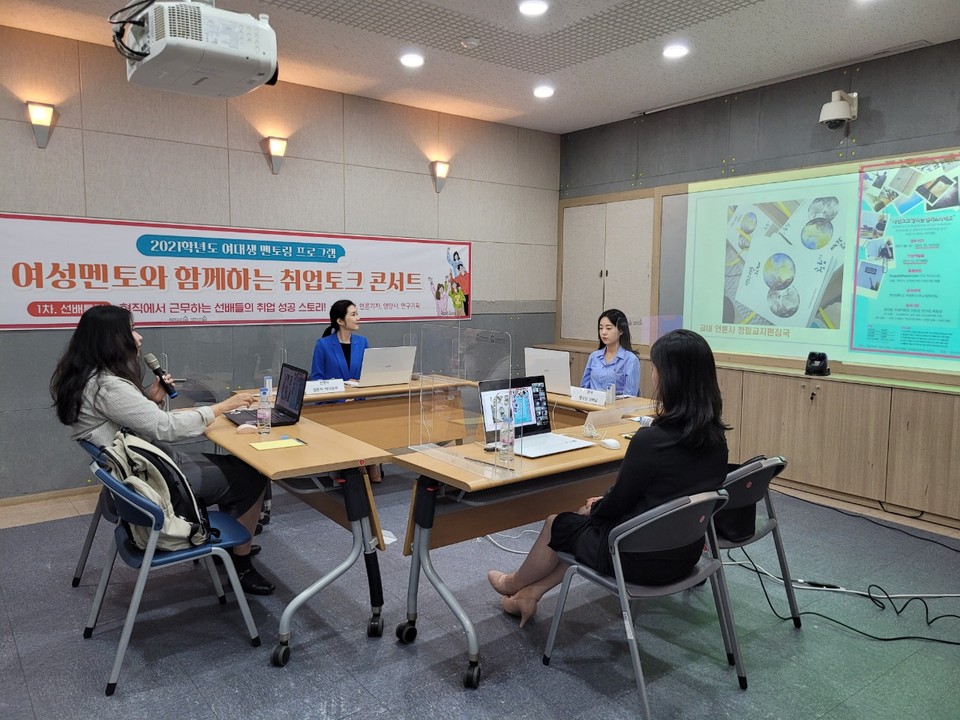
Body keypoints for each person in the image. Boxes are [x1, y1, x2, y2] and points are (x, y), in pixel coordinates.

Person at [488, 329, 729, 627]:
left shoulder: (651, 440)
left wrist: (598, 506)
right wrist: (604, 504)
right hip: (683, 554)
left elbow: (618, 504)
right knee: (582, 522)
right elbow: (667, 494)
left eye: (654, 369)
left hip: (635, 557)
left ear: (671, 378)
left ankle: (513, 582)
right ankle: (531, 593)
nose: (652, 377)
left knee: (559, 522)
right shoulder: (717, 439)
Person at [49, 305, 275, 595]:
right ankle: (241, 566)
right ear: (111, 339)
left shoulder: (89, 378)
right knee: (252, 475)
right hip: (155, 481)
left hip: (139, 470)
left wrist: (150, 399)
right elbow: (163, 428)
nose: (139, 337)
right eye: (131, 330)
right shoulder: (108, 386)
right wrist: (220, 409)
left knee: (234, 467)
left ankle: (231, 545)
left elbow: (131, 424)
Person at [309, 299, 382, 482]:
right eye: (353, 314)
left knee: (374, 418)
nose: (358, 318)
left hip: (358, 402)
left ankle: (369, 461)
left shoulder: (362, 342)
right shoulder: (323, 345)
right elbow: (316, 379)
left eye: (357, 313)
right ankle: (360, 464)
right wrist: (343, 386)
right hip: (333, 404)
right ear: (340, 321)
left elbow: (368, 372)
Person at [580, 308, 641, 397]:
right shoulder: (594, 356)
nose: (603, 332)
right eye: (601, 328)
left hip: (616, 409)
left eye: (608, 328)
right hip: (591, 406)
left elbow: (630, 396)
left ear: (621, 331)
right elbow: (584, 388)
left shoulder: (630, 359)